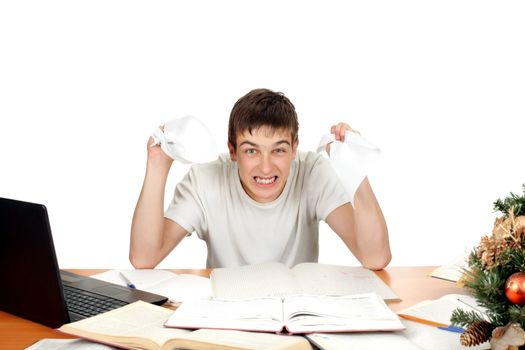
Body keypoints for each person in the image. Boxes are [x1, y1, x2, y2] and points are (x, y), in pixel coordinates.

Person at [130, 88, 391, 270]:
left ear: (294, 149)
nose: (266, 168)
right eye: (251, 150)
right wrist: (157, 165)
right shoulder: (205, 179)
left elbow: (375, 257)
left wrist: (354, 167)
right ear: (232, 151)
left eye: (278, 150)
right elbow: (144, 258)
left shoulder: (312, 172)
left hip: (297, 318)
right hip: (225, 319)